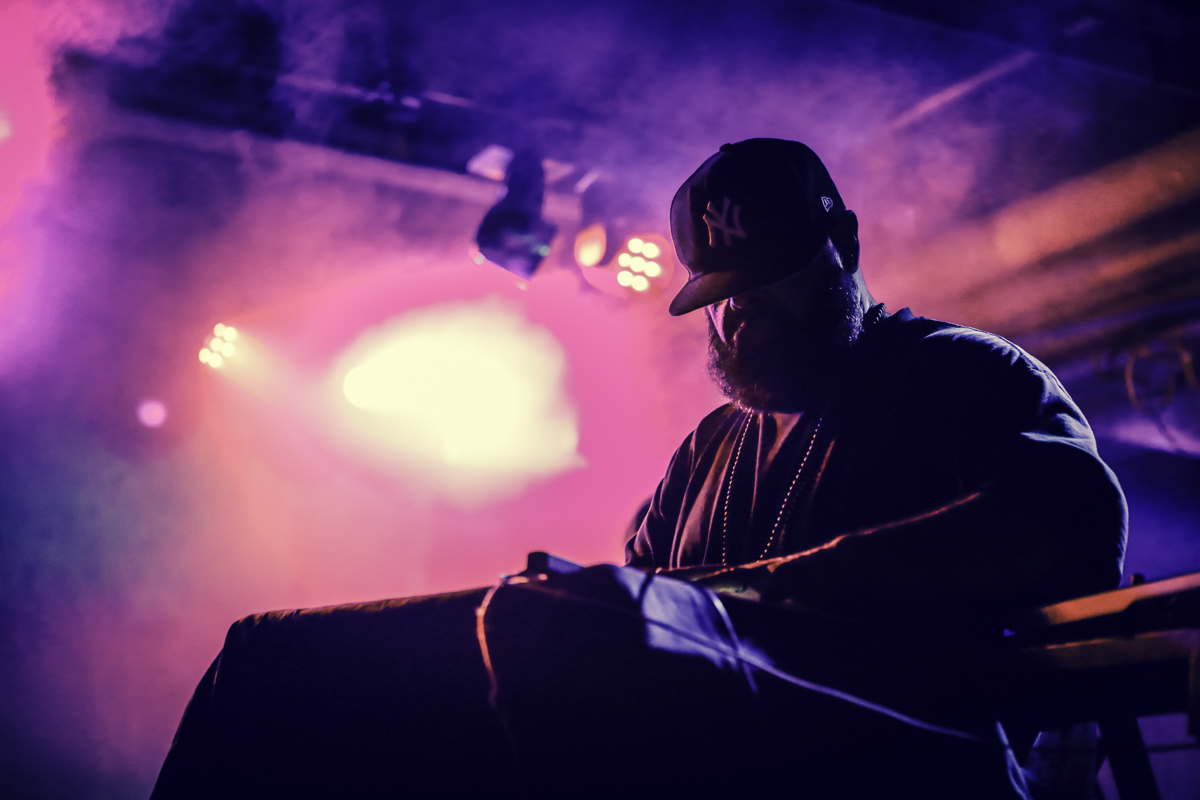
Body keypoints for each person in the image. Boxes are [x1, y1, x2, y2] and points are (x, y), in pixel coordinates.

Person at [626, 138, 1127, 629]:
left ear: (845, 243)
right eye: (719, 292)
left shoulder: (969, 373)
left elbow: (1072, 523)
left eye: (768, 277)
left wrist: (775, 586)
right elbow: (629, 620)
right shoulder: (703, 450)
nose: (739, 306)